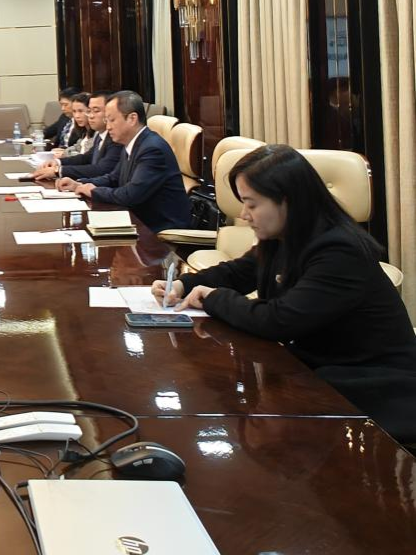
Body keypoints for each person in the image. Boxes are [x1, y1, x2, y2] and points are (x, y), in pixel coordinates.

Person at [154, 145, 416, 447]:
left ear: (287, 201)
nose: (244, 215)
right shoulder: (286, 236)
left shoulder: (339, 250)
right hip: (321, 374)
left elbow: (279, 320)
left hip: (374, 389)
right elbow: (239, 272)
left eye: (251, 204)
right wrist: (184, 285)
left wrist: (213, 298)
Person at [57, 90, 190, 232]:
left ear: (132, 119)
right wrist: (79, 184)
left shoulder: (152, 149)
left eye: (112, 120)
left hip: (158, 230)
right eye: (106, 121)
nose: (108, 127)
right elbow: (113, 178)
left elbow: (130, 195)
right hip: (137, 221)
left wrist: (94, 191)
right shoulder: (133, 142)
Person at [35, 91, 121, 181]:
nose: (91, 116)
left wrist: (59, 171)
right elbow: (86, 158)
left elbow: (101, 170)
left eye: (96, 111)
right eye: (89, 111)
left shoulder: (115, 138)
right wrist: (58, 162)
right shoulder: (100, 135)